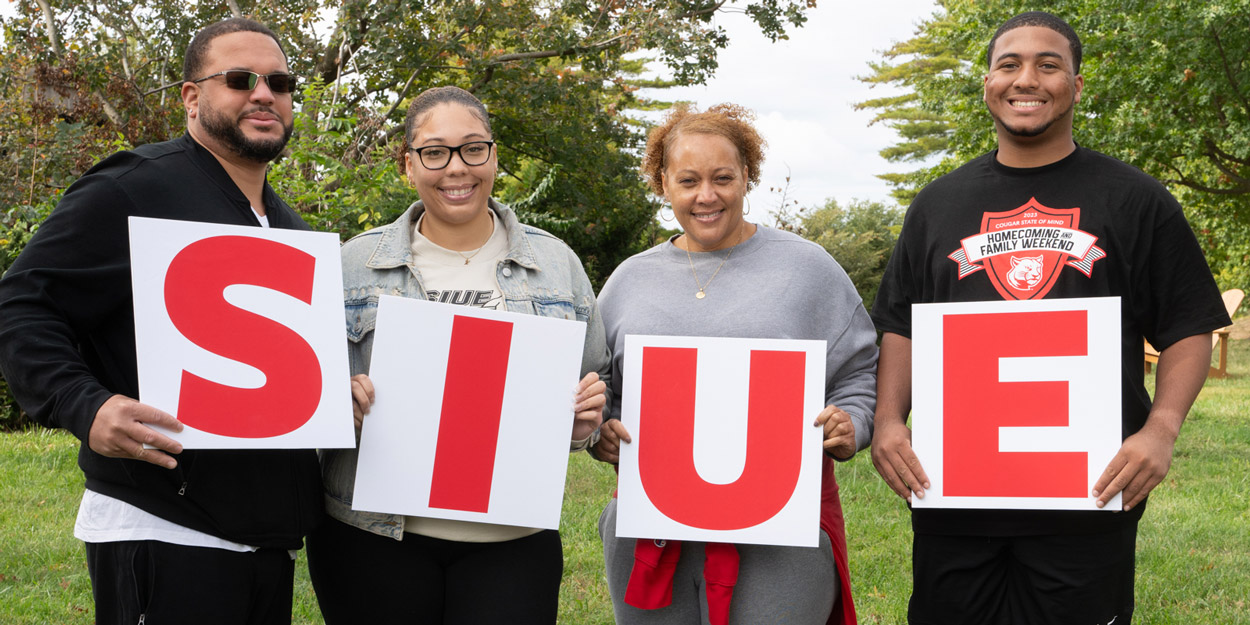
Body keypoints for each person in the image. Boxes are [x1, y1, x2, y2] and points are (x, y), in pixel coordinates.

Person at [869, 11, 1232, 625]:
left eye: (1048, 64)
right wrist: (886, 420)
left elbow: (1187, 325)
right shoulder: (937, 204)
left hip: (1086, 496)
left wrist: (1162, 429)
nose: (1026, 79)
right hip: (956, 493)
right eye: (1008, 64)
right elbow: (902, 323)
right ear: (987, 82)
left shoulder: (1135, 198)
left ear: (1077, 86)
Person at [0, 18, 321, 625]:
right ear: (192, 97)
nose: (263, 93)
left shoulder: (291, 229)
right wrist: (82, 404)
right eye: (239, 78)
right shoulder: (131, 188)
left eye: (279, 81)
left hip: (266, 544)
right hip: (161, 528)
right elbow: (21, 303)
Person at [306, 85, 610, 625]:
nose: (456, 168)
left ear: (494, 155)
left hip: (512, 542)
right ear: (408, 164)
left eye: (473, 148)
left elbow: (594, 386)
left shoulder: (557, 263)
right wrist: (336, 403)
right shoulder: (351, 264)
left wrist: (586, 419)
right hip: (373, 538)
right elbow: (305, 393)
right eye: (434, 151)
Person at [590, 103, 877, 625]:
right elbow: (600, 384)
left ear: (748, 176)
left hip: (781, 530)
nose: (707, 195)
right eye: (688, 180)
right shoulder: (629, 280)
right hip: (650, 526)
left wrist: (851, 422)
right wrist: (602, 430)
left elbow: (858, 370)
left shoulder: (808, 268)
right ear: (662, 182)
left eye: (723, 177)